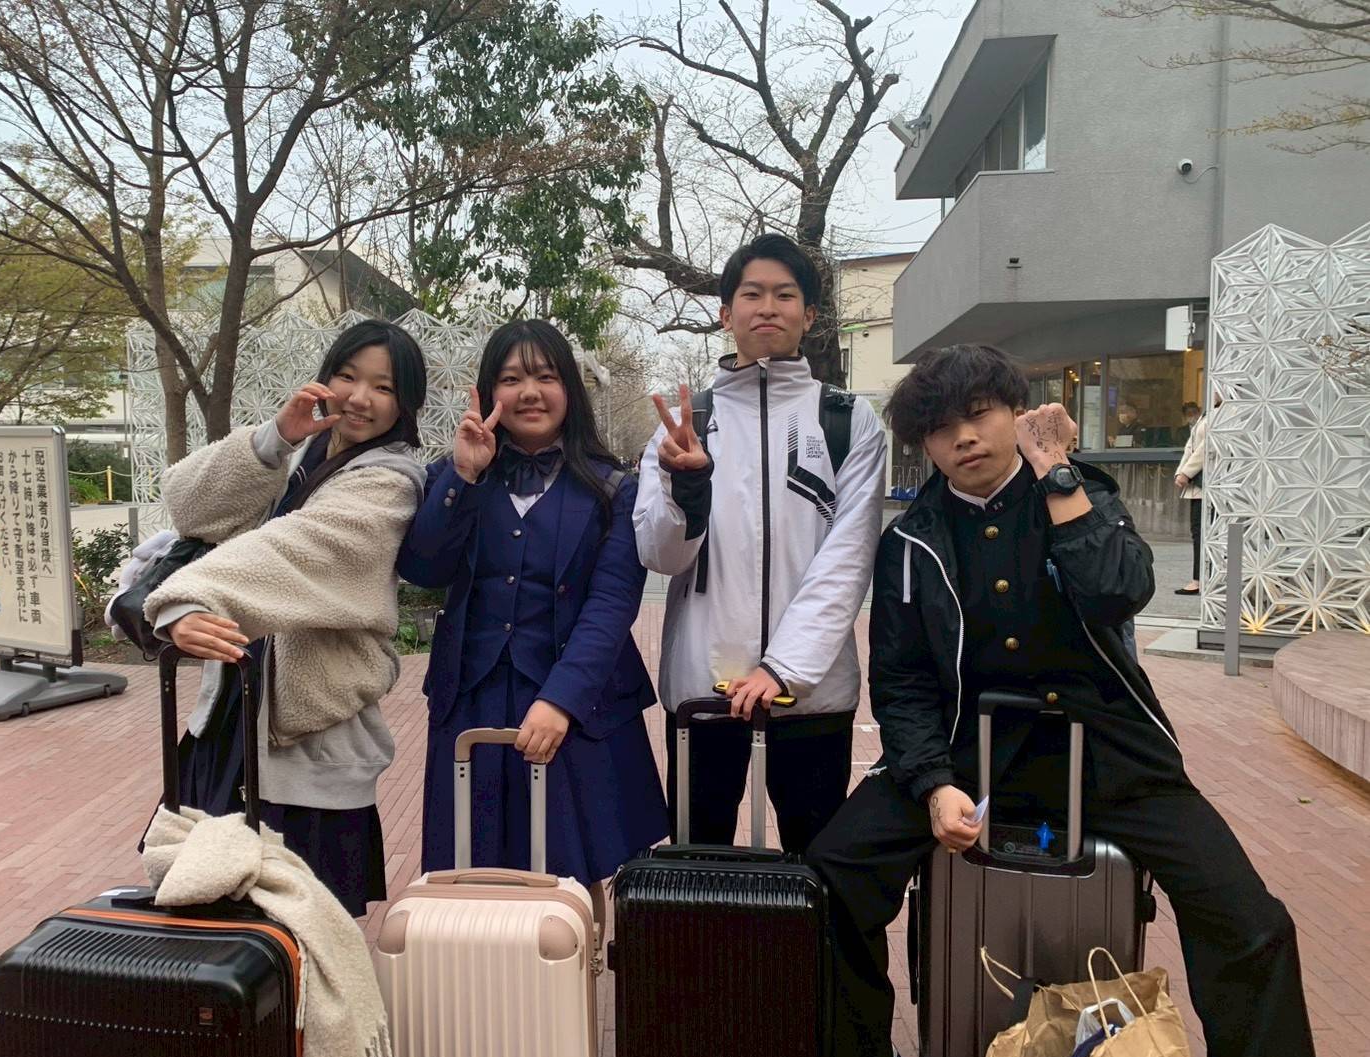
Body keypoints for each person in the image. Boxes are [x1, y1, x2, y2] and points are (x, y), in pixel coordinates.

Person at [808, 345, 1320, 1057]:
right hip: (967, 752)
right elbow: (903, 683)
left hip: (1108, 751)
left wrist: (1056, 476)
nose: (964, 439)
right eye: (941, 429)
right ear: (925, 446)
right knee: (833, 873)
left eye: (979, 415)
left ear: (1016, 414)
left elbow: (1117, 591)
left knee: (1249, 921)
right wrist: (933, 783)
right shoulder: (910, 541)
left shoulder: (1076, 491)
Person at [144, 320, 428, 917]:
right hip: (229, 715)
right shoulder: (298, 453)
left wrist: (187, 597)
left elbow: (293, 550)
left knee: (308, 922)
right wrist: (273, 438)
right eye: (347, 376)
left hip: (307, 736)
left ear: (405, 403)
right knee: (209, 910)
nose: (360, 397)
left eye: (383, 387)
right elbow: (189, 506)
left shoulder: (390, 484)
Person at [398, 319, 665, 926]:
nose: (529, 392)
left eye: (545, 376)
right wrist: (464, 477)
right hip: (473, 698)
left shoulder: (614, 488)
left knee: (571, 871)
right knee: (469, 865)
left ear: (568, 387)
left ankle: (573, 974)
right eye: (512, 378)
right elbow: (423, 567)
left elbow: (611, 603)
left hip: (578, 707)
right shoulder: (456, 473)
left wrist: (561, 701)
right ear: (490, 391)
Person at [633, 232, 887, 855]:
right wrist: (686, 487)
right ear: (726, 313)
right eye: (751, 294)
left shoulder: (847, 420)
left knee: (818, 869)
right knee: (698, 869)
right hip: (704, 689)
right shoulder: (686, 426)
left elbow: (849, 558)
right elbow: (660, 556)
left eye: (785, 294)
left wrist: (783, 668)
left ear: (810, 314)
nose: (767, 307)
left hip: (812, 694)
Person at [1174, 400, 1207, 595]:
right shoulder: (1207, 414)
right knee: (1198, 532)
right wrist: (1181, 471)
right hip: (1198, 484)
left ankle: (1200, 579)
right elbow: (1191, 446)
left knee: (1203, 532)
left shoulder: (1224, 413)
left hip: (1208, 483)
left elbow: (1206, 447)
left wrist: (1186, 472)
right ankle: (1199, 578)